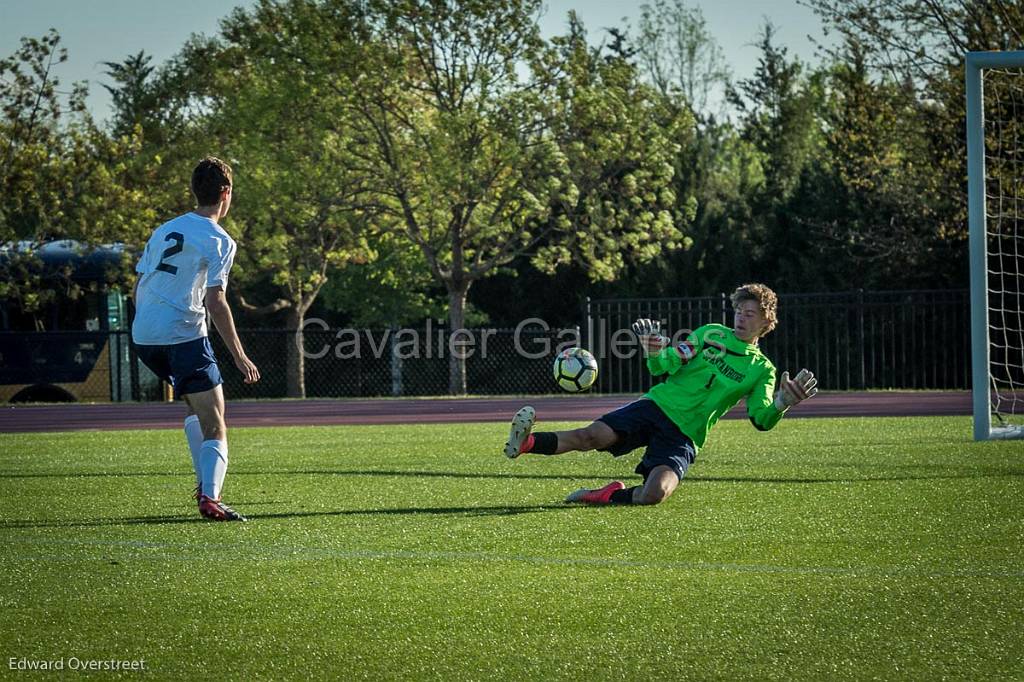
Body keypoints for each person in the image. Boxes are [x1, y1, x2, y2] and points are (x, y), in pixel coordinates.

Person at [503, 283, 818, 505]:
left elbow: (761, 418)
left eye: (749, 313)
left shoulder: (762, 369)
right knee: (591, 436)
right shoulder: (710, 333)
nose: (740, 317)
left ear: (766, 321)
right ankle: (526, 443)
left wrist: (781, 403)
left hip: (685, 434)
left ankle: (606, 494)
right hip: (656, 406)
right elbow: (662, 366)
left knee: (655, 494)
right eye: (738, 310)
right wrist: (654, 350)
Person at [132, 156, 260, 521]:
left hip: (144, 336)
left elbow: (138, 283)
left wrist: (147, 322)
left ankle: (203, 483)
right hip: (182, 335)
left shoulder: (164, 229)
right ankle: (211, 497)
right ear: (226, 194)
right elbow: (216, 301)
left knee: (195, 407)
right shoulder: (219, 240)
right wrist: (239, 354)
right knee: (217, 421)